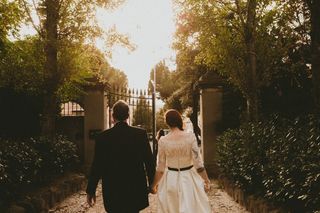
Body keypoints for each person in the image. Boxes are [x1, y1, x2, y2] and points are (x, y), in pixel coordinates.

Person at [86, 100, 156, 213]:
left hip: (112, 189)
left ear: (113, 116)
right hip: (135, 188)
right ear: (128, 116)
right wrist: (153, 183)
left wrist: (91, 190)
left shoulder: (103, 137)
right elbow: (149, 162)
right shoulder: (140, 134)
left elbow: (97, 165)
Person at [151, 109, 212, 213]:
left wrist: (154, 185)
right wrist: (206, 180)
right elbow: (198, 164)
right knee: (190, 208)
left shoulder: (163, 141)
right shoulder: (190, 137)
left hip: (170, 179)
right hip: (189, 178)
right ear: (179, 120)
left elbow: (160, 168)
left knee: (172, 208)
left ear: (167, 122)